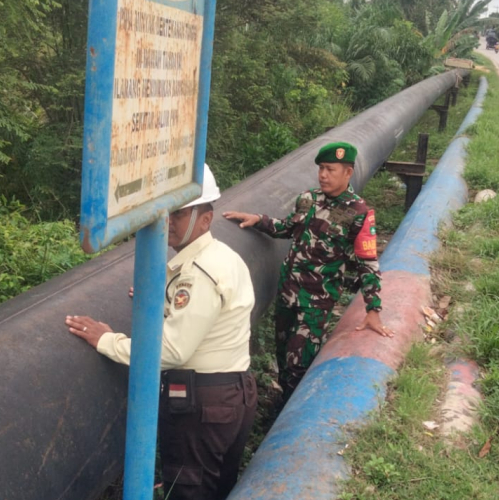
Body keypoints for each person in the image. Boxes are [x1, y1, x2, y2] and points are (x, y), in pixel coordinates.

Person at [65, 165, 257, 500]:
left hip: (203, 406)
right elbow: (208, 317)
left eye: (179, 214)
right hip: (232, 396)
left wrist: (107, 341)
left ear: (205, 220)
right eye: (165, 211)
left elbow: (172, 351)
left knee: (189, 491)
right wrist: (163, 301)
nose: (167, 221)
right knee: (217, 489)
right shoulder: (223, 257)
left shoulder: (197, 274)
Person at [223, 142, 393, 399]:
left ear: (348, 172)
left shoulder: (359, 213)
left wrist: (373, 308)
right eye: (321, 168)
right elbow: (288, 228)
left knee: (298, 364)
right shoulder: (308, 199)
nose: (323, 175)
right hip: (288, 293)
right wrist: (259, 220)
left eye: (330, 169)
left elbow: (367, 262)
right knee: (283, 356)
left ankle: (291, 413)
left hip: (316, 301)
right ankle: (281, 406)